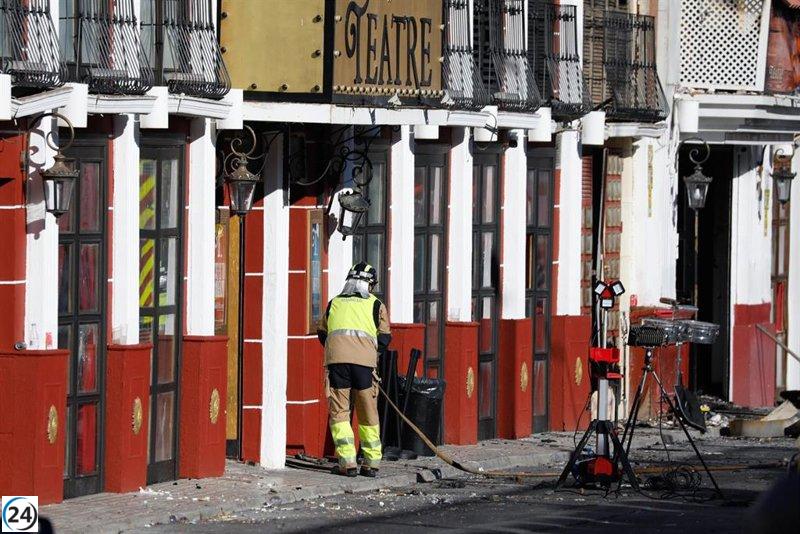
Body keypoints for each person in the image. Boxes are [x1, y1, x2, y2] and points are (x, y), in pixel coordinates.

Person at [317, 262, 391, 477]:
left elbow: (323, 333)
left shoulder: (334, 303)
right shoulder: (376, 305)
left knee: (340, 411)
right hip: (365, 366)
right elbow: (385, 338)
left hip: (337, 362)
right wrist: (368, 351)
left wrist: (339, 349)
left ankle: (347, 461)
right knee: (368, 411)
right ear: (370, 284)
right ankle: (371, 462)